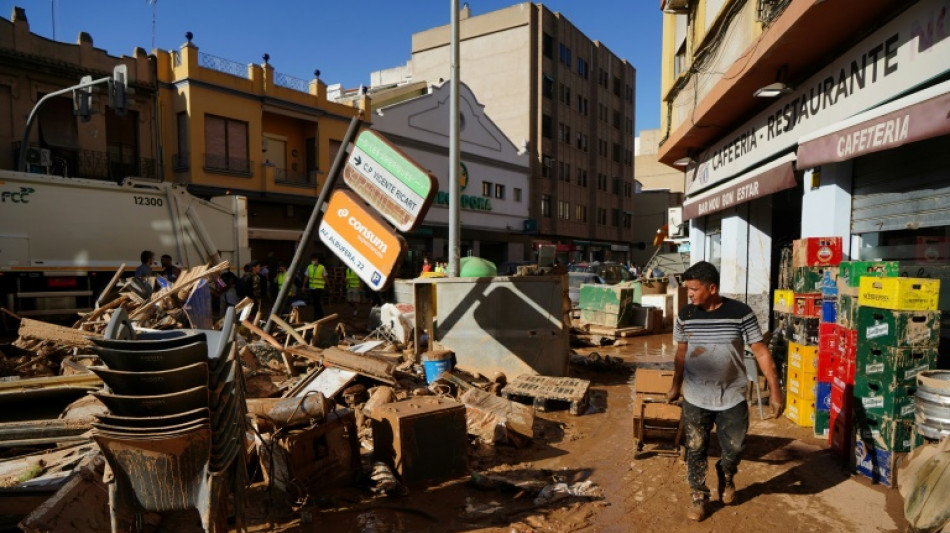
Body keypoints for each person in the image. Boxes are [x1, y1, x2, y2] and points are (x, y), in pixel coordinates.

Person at [666, 261, 783, 522]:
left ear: (712, 288)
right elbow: (681, 353)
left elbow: (761, 352)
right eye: (688, 289)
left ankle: (726, 473)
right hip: (696, 396)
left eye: (694, 289)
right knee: (695, 447)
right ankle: (698, 496)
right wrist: (675, 385)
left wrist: (775, 391)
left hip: (732, 395)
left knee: (736, 447)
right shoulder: (686, 315)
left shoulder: (740, 313)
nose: (689, 294)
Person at [305, 254, 328, 320]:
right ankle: (320, 315)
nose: (313, 261)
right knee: (315, 302)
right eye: (312, 260)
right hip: (312, 288)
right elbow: (306, 277)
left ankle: (317, 315)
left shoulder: (322, 267)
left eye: (314, 260)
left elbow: (325, 277)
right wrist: (304, 285)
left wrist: (328, 285)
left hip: (319, 288)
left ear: (317, 260)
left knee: (317, 302)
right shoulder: (309, 267)